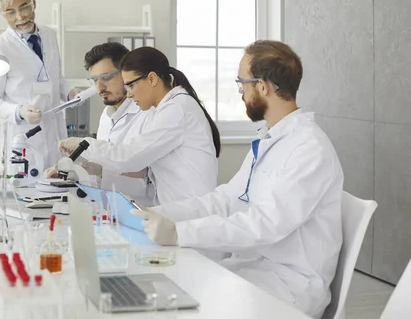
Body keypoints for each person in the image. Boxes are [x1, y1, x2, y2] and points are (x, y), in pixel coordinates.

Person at [131, 40, 343, 319]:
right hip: (253, 267)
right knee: (171, 288)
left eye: (242, 82)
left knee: (181, 302)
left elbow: (265, 225)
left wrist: (181, 233)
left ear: (263, 86)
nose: (240, 90)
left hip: (289, 286)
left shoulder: (309, 149)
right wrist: (158, 213)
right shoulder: (271, 139)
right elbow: (226, 199)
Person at [58, 47, 221, 205]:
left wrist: (83, 144)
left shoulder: (176, 109)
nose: (129, 94)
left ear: (152, 79)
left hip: (191, 216)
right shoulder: (168, 107)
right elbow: (149, 171)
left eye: (131, 85)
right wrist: (97, 170)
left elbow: (128, 158)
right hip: (176, 212)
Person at [50, 42, 154, 206]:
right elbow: (109, 166)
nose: (100, 87)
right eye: (95, 80)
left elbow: (146, 174)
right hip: (112, 211)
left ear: (126, 73)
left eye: (107, 78)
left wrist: (85, 145)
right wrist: (81, 172)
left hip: (147, 212)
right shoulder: (106, 116)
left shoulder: (148, 113)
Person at [0, 0, 80, 168]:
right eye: (11, 12)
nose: (20, 17)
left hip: (55, 135)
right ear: (2, 13)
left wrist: (70, 91)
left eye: (24, 7)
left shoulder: (49, 35)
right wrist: (19, 111)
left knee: (57, 188)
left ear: (33, 2)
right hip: (24, 141)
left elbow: (56, 78)